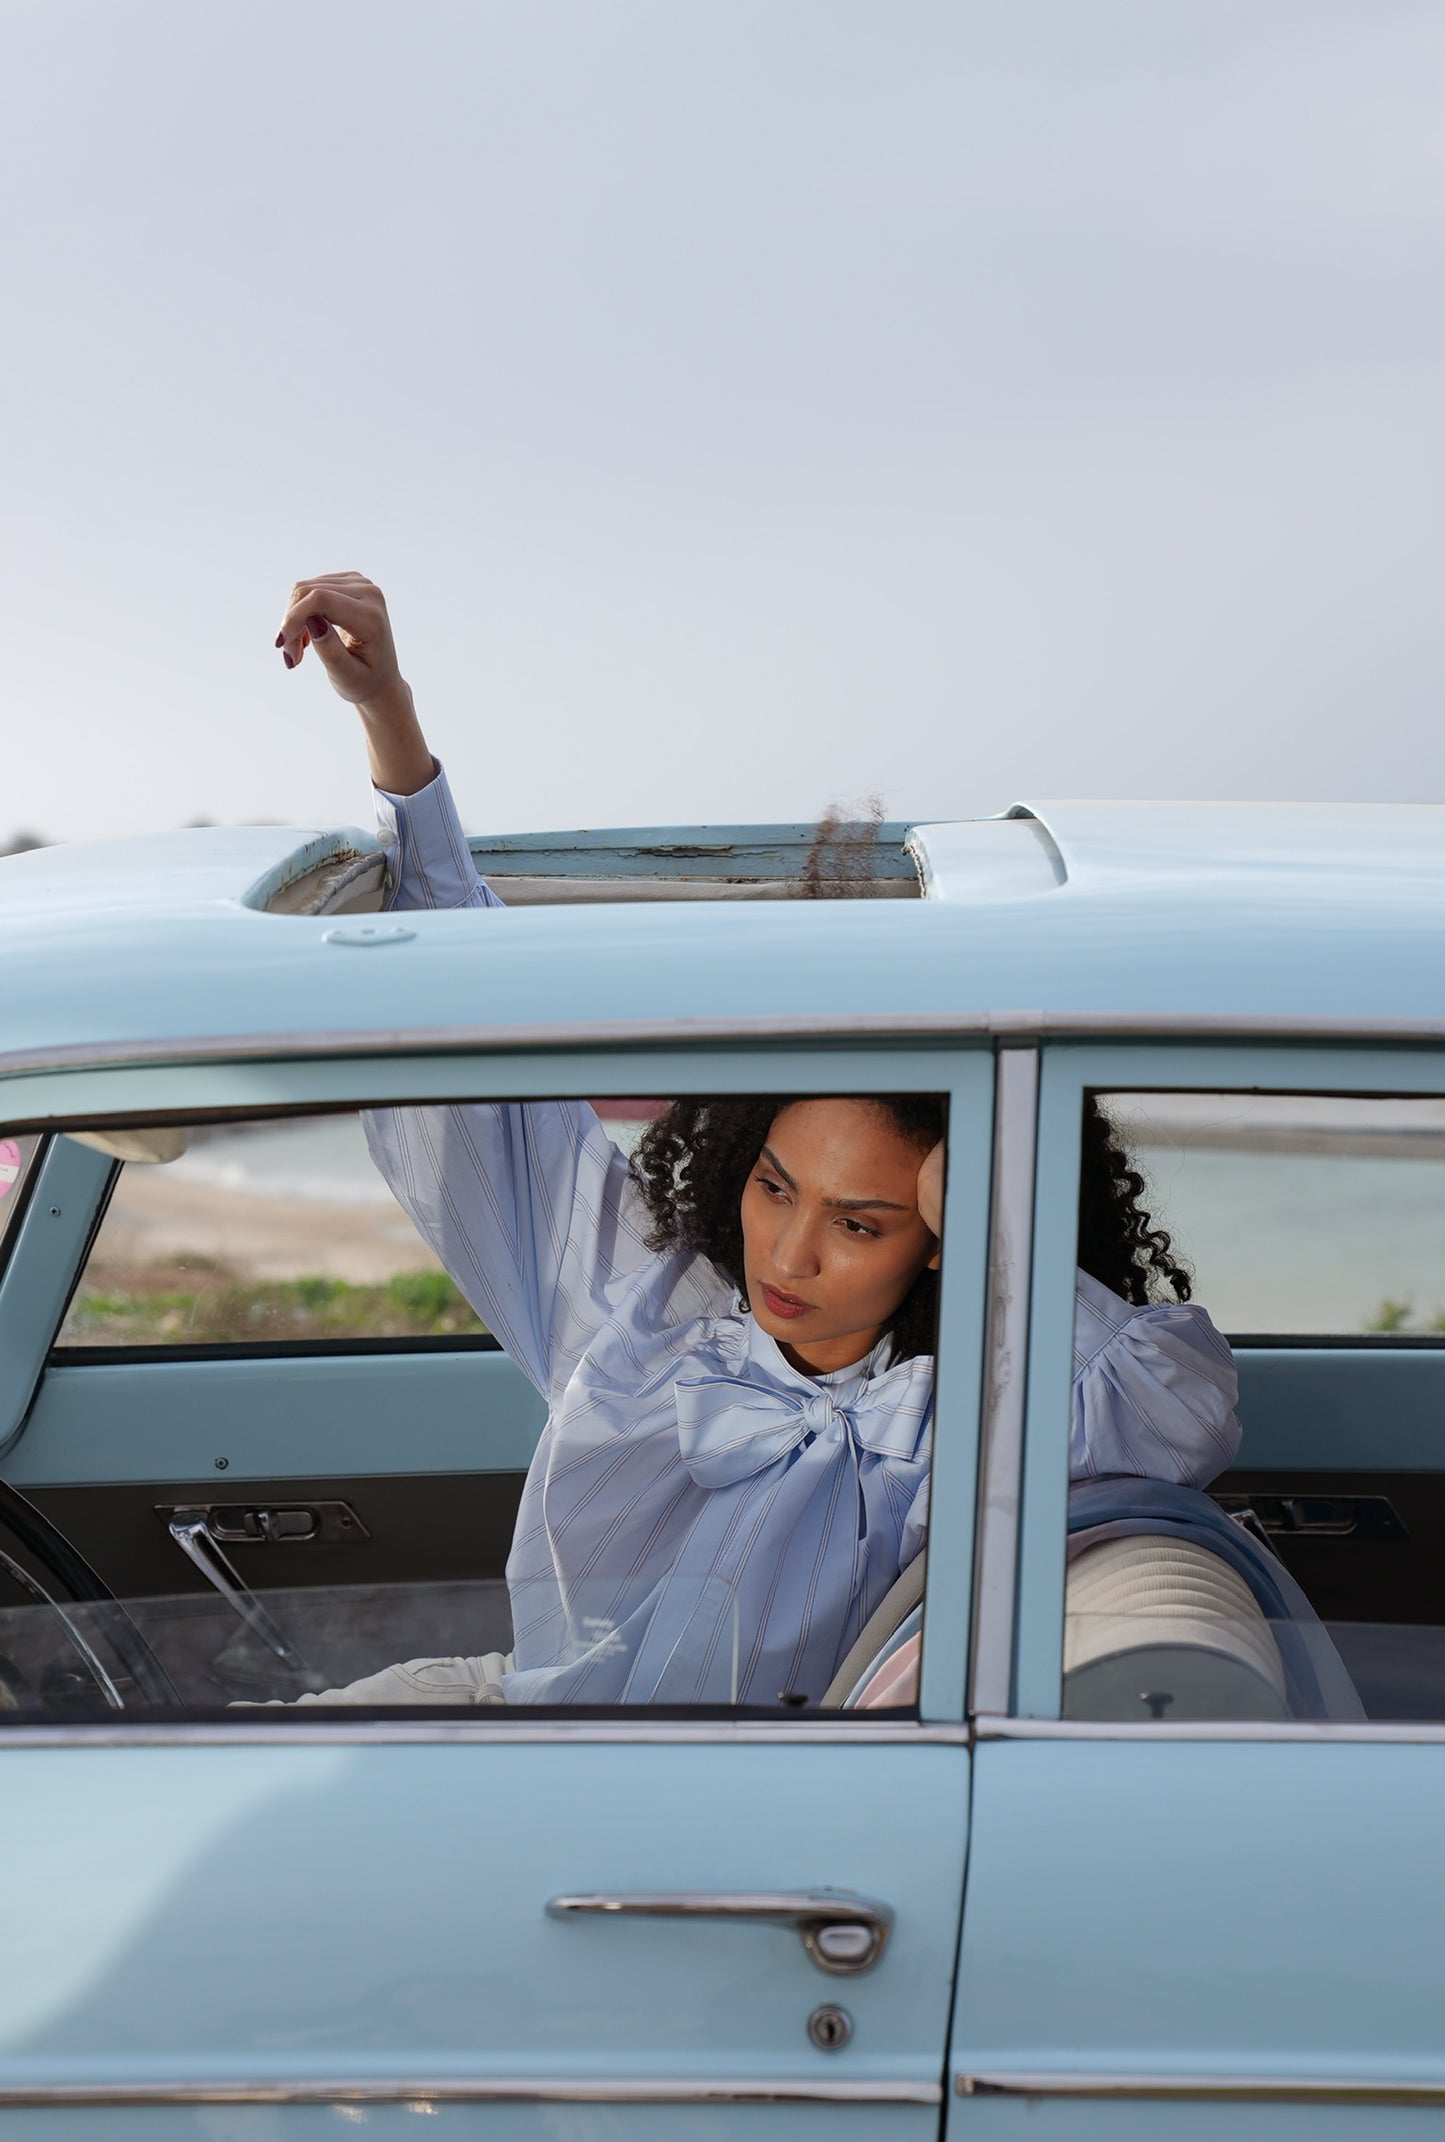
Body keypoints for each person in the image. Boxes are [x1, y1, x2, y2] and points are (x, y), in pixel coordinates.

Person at [271, 573, 1243, 1709]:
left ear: (937, 1240)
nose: (786, 1255)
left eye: (859, 1221)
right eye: (776, 1188)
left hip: (753, 1797)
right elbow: (479, 1086)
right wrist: (389, 716)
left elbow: (1185, 1413)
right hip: (525, 1719)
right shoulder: (654, 1310)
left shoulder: (986, 1402)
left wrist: (992, 1206)